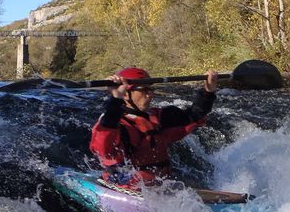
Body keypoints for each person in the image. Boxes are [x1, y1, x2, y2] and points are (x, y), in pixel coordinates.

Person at [89, 67, 219, 190]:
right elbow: (102, 148)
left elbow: (194, 116)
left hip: (160, 187)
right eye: (144, 90)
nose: (150, 94)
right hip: (125, 188)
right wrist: (115, 99)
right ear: (126, 95)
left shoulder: (158, 117)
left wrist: (208, 92)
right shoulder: (112, 123)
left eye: (151, 89)